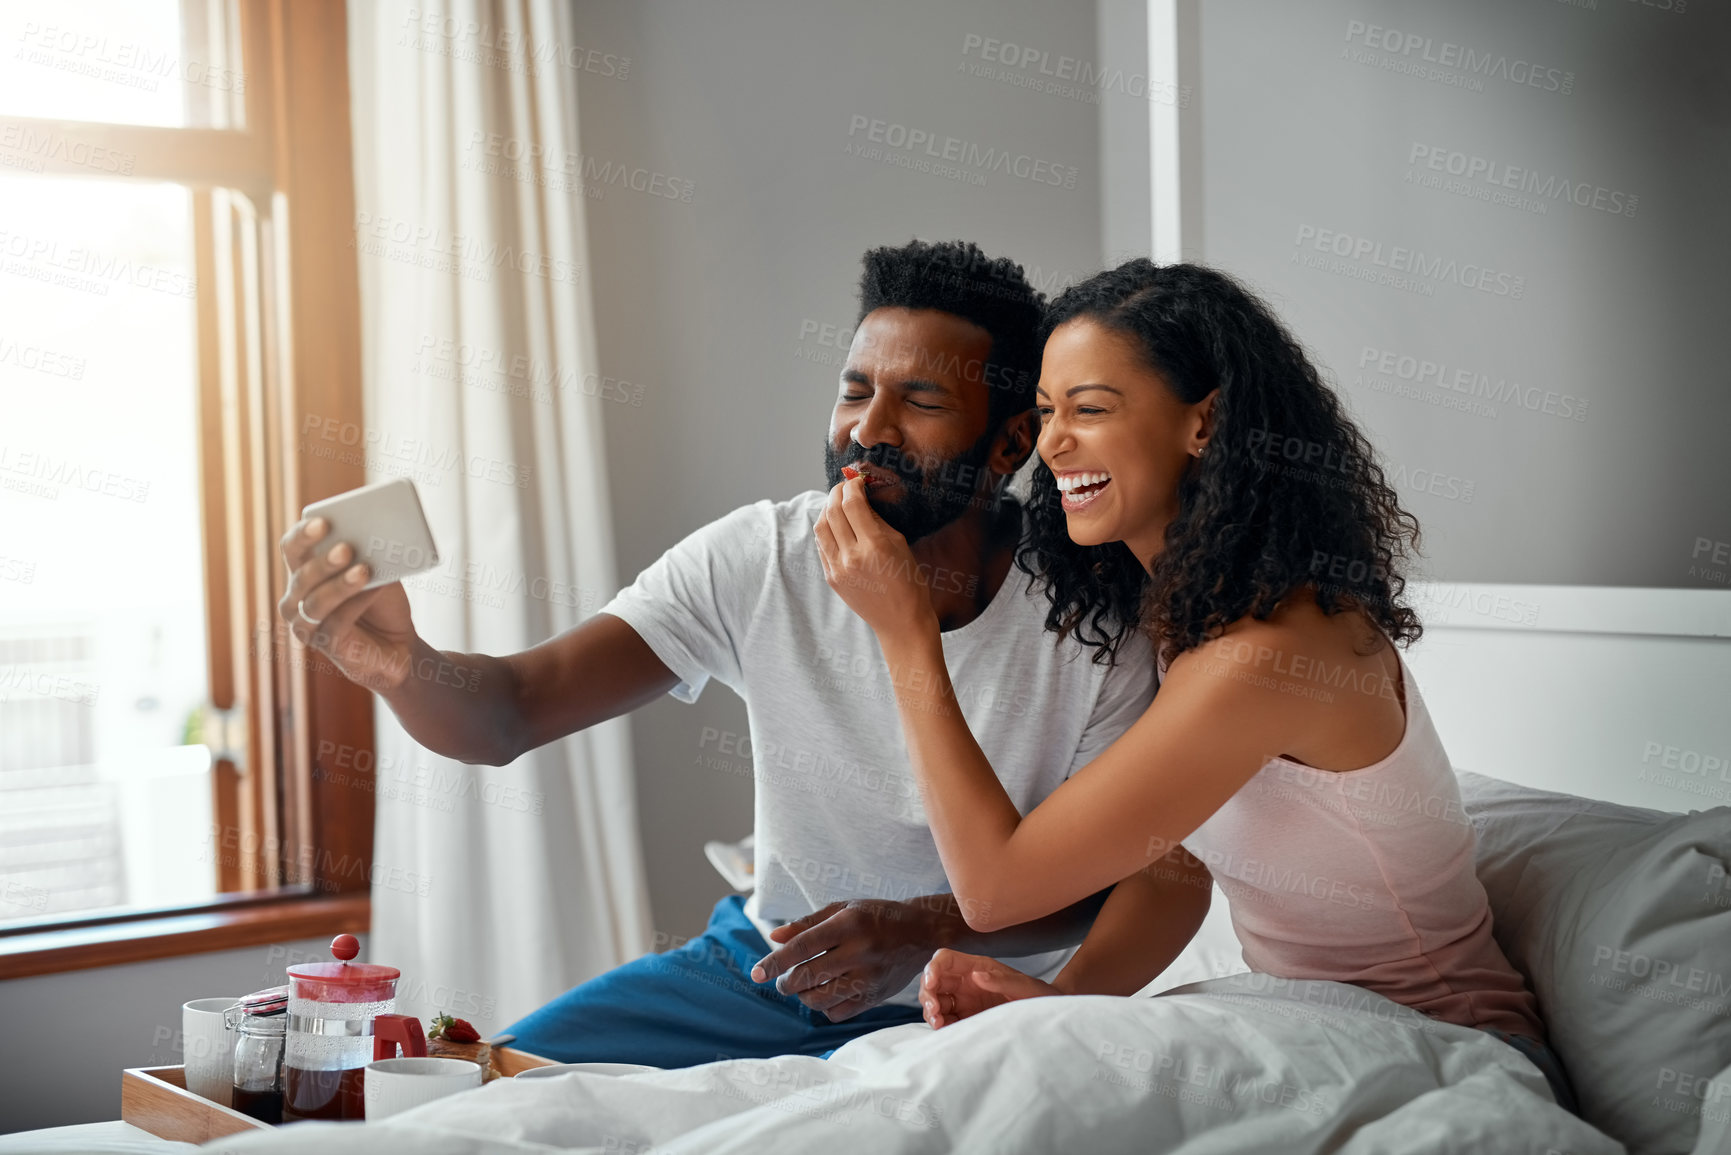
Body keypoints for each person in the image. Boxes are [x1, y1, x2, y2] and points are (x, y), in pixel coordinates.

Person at [275, 239, 1187, 1069]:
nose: (869, 430)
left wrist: (920, 929)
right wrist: (402, 663)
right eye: (855, 388)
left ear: (1010, 445)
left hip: (966, 1001)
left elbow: (1116, 882)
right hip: (761, 968)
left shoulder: (1099, 616)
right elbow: (509, 711)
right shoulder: (762, 557)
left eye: (922, 401)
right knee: (492, 1088)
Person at [812, 258, 1582, 1115]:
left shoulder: (1265, 652)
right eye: (1046, 411)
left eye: (1091, 409)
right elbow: (1171, 863)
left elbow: (995, 889)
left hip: (1448, 1051)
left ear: (1202, 423)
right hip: (1326, 1030)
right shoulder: (1196, 621)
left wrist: (905, 632)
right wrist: (1064, 998)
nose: (1054, 444)